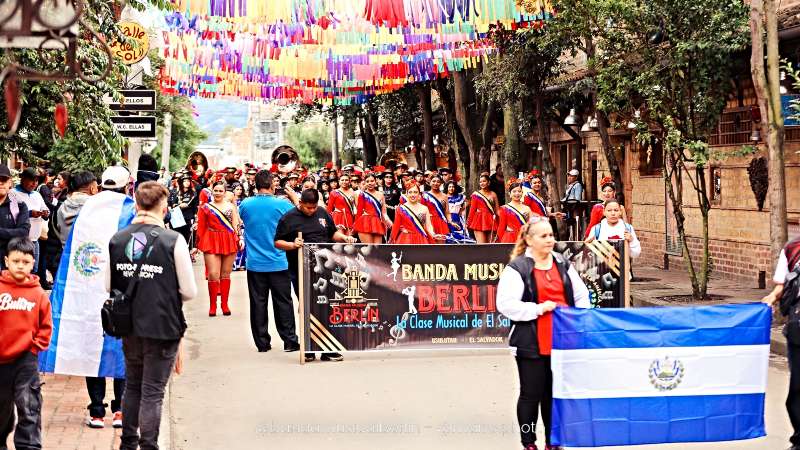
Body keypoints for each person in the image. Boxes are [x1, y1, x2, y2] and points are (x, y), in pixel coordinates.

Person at [107, 182, 197, 450]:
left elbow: (107, 287)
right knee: (153, 391)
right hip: (162, 324)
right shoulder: (172, 240)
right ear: (164, 207)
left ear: (136, 205)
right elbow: (189, 291)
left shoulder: (117, 239)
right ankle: (148, 446)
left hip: (128, 323)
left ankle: (128, 443)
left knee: (133, 385)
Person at [496, 217, 590, 450]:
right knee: (531, 394)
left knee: (553, 394)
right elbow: (505, 304)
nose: (550, 240)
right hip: (531, 341)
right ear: (529, 240)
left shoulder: (562, 263)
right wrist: (538, 309)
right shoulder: (518, 267)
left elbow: (581, 296)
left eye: (551, 235)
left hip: (561, 340)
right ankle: (529, 442)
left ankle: (553, 441)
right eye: (544, 236)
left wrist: (581, 317)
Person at [275, 189, 357, 362]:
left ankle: (328, 348)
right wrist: (292, 244)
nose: (311, 211)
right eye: (307, 208)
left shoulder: (322, 213)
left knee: (327, 306)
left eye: (313, 207)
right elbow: (277, 242)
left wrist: (343, 237)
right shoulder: (289, 218)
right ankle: (309, 348)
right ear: (300, 204)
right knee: (306, 306)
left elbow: (331, 233)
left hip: (325, 268)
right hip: (301, 269)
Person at [0, 237, 52, 450]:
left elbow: (46, 326)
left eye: (26, 262)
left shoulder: (38, 293)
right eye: (16, 261)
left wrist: (34, 347)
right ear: (6, 261)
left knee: (29, 406)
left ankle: (29, 445)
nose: (20, 266)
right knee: (1, 409)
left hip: (25, 361)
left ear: (33, 263)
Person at [239, 170, 299, 353]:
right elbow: (300, 216)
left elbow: (244, 219)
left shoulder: (245, 204)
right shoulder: (281, 204)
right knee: (283, 303)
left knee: (258, 302)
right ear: (272, 184)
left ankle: (262, 343)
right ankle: (289, 340)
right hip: (278, 261)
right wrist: (295, 198)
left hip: (255, 263)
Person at [763, 237, 800, 450]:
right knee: (797, 389)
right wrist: (771, 298)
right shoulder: (792, 249)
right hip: (797, 327)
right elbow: (781, 286)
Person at [196, 181, 241, 317]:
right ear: (212, 191)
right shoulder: (205, 207)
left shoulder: (231, 207)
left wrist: (240, 238)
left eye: (220, 191)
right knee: (213, 274)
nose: (218, 193)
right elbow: (201, 226)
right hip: (211, 239)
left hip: (228, 239)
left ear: (225, 192)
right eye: (215, 190)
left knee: (225, 274)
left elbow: (235, 224)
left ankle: (224, 304)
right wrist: (198, 245)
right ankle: (213, 305)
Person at [15, 168, 49, 275]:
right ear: (23, 179)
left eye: (36, 181)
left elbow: (45, 208)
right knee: (21, 270)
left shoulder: (37, 195)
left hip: (35, 239)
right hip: (19, 241)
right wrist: (29, 213)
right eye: (32, 180)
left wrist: (45, 213)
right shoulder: (13, 193)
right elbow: (11, 214)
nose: (34, 183)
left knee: (34, 270)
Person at [0, 164, 31, 269]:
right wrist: (11, 233)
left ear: (10, 183)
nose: (0, 183)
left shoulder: (19, 205)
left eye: (3, 180)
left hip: (10, 261)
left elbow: (23, 232)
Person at [55, 171, 97, 246]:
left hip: (65, 254)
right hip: (86, 255)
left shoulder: (62, 206)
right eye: (97, 187)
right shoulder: (94, 206)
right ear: (92, 189)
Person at [353, 173, 391, 244]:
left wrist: (389, 222)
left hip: (377, 223)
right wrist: (355, 225)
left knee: (377, 249)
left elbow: (384, 212)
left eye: (372, 181)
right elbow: (359, 212)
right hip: (365, 222)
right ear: (364, 183)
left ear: (375, 181)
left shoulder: (381, 194)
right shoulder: (362, 194)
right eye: (367, 181)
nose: (370, 183)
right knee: (369, 249)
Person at [466, 174, 498, 244]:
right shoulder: (476, 194)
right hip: (479, 220)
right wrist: (468, 223)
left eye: (484, 181)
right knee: (481, 245)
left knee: (491, 245)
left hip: (491, 220)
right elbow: (472, 210)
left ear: (488, 182)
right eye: (480, 182)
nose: (482, 183)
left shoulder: (493, 194)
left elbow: (497, 210)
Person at [421, 175, 452, 242]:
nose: (435, 183)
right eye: (433, 181)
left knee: (441, 246)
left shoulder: (445, 196)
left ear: (441, 183)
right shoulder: (424, 195)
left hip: (441, 222)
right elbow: (421, 211)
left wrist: (450, 222)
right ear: (430, 182)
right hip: (428, 222)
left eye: (438, 181)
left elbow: (447, 212)